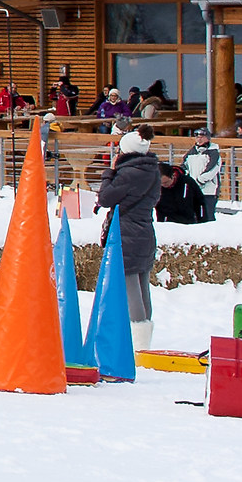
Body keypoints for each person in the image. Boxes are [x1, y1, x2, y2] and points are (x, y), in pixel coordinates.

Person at [95, 126, 161, 349]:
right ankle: (144, 335)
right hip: (144, 231)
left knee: (130, 282)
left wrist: (109, 173)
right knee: (142, 282)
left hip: (127, 232)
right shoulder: (152, 171)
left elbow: (105, 197)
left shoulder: (128, 173)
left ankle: (137, 340)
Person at [181, 128, 223, 222]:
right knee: (194, 215)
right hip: (193, 190)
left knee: (208, 216)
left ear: (208, 138)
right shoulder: (191, 152)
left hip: (209, 191)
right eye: (197, 137)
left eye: (202, 137)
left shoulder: (214, 153)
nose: (199, 139)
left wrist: (200, 181)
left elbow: (212, 169)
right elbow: (184, 167)